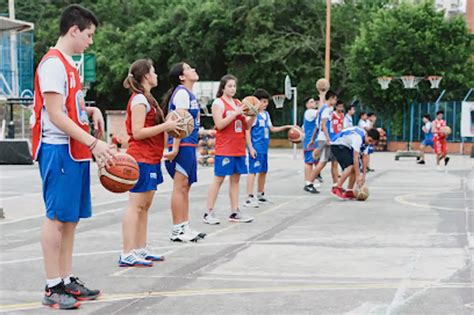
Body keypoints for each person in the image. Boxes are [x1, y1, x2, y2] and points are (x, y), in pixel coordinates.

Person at [31, 4, 116, 309]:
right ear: (74, 30)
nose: (90, 41)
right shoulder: (53, 64)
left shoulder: (69, 64)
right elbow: (54, 115)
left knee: (71, 220)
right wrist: (95, 143)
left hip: (75, 150)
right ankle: (52, 285)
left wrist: (89, 110)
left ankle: (65, 278)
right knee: (56, 219)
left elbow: (69, 108)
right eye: (89, 35)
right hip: (58, 150)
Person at [119, 59, 182, 267]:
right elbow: (137, 133)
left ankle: (140, 248)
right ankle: (127, 252)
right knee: (135, 206)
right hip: (140, 158)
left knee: (145, 207)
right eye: (153, 71)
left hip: (151, 157)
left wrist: (170, 125)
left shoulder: (148, 99)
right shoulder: (139, 100)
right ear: (146, 75)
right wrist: (166, 125)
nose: (156, 75)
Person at [203, 74, 256, 224]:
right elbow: (219, 124)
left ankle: (235, 211)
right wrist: (235, 114)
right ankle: (209, 212)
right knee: (219, 178)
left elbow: (246, 126)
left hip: (238, 147)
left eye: (234, 86)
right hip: (225, 147)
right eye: (230, 86)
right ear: (223, 87)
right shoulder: (218, 103)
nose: (233, 89)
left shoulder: (239, 102)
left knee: (236, 179)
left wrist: (253, 115)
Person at [163, 62, 206, 242]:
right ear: (182, 76)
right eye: (189, 68)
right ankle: (177, 230)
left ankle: (184, 225)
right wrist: (173, 148)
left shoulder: (188, 94)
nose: (194, 69)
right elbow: (178, 123)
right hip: (182, 145)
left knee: (185, 187)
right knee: (180, 187)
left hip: (189, 144)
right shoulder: (181, 93)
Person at [244, 88, 292, 207]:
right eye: (263, 102)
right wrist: (250, 148)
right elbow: (247, 131)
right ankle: (249, 197)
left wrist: (286, 126)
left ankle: (260, 194)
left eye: (266, 102)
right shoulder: (253, 115)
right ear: (256, 102)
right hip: (256, 147)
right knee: (253, 171)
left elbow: (272, 129)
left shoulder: (266, 115)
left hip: (264, 148)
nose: (266, 104)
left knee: (263, 171)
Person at [330, 127, 380, 200]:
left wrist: (363, 176)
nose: (370, 143)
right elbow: (355, 158)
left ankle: (349, 191)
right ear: (366, 135)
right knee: (351, 166)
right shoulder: (358, 138)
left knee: (356, 167)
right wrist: (357, 176)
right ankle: (337, 187)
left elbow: (364, 158)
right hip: (337, 144)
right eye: (370, 141)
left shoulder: (367, 142)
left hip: (347, 146)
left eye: (373, 142)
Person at [309, 90, 340, 188]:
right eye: (335, 99)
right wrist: (328, 138)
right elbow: (323, 125)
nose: (335, 101)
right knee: (324, 161)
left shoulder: (325, 109)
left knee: (331, 162)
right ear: (331, 98)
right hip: (325, 138)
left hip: (325, 138)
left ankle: (336, 184)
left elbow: (317, 126)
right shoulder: (326, 109)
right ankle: (309, 182)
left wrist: (313, 139)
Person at [302, 97, 320, 193]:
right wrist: (322, 95)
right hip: (310, 141)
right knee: (309, 163)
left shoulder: (311, 114)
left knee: (313, 162)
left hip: (314, 141)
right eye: (311, 102)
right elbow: (320, 111)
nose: (314, 103)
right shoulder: (309, 112)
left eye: (314, 101)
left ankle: (310, 181)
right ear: (307, 105)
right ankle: (308, 183)